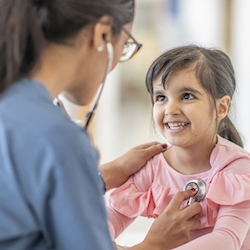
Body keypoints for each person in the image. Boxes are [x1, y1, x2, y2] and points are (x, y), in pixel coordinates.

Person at [0, 1, 202, 250]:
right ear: (103, 34)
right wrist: (154, 245)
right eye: (125, 45)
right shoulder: (58, 137)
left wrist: (101, 176)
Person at [106, 45, 250, 249]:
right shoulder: (152, 167)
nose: (170, 109)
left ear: (221, 107)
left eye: (187, 96)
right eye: (161, 97)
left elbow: (226, 241)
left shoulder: (237, 167)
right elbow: (100, 225)